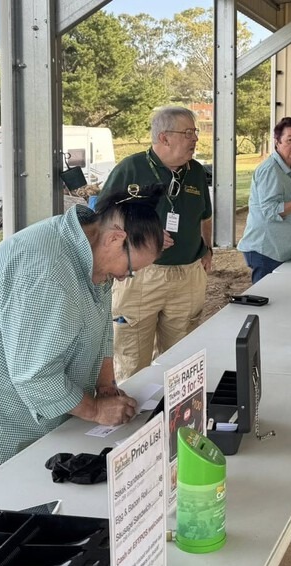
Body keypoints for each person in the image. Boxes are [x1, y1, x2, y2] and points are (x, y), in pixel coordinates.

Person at [0, 185, 168, 504]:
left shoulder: (89, 249)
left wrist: (106, 386)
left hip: (17, 417)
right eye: (130, 269)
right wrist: (96, 409)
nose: (126, 277)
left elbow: (101, 326)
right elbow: (35, 375)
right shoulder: (46, 271)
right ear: (115, 238)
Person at [99, 107, 213, 382]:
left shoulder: (196, 172)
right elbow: (102, 217)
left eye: (194, 132)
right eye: (188, 132)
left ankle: (174, 409)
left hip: (187, 276)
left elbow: (205, 216)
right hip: (140, 277)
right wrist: (145, 234)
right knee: (133, 361)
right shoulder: (131, 169)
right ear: (164, 138)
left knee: (182, 362)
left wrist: (208, 249)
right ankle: (136, 409)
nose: (195, 138)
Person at [237, 117, 291, 282]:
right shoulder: (270, 170)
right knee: (266, 297)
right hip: (267, 250)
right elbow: (271, 211)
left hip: (282, 249)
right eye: (290, 140)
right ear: (277, 142)